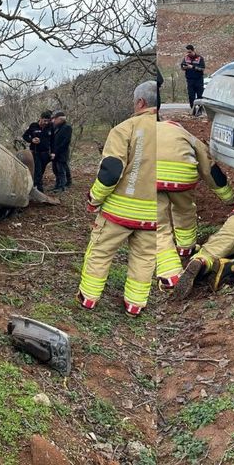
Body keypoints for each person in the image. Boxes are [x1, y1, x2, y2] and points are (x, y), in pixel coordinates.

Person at [77, 81, 157, 317]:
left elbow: (111, 171)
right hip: (154, 216)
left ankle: (88, 299)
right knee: (144, 259)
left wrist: (94, 198)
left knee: (100, 253)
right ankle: (135, 305)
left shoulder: (125, 129)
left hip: (118, 212)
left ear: (140, 102)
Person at [156, 119, 234, 289]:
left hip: (150, 179)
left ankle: (170, 275)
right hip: (182, 178)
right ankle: (186, 249)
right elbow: (210, 171)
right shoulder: (186, 135)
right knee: (184, 210)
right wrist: (231, 200)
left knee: (158, 226)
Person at [22, 111, 53, 192]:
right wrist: (31, 140)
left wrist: (53, 152)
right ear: (40, 118)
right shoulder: (33, 125)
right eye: (44, 120)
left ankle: (36, 184)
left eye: (48, 121)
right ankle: (38, 189)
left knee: (41, 171)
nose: (46, 123)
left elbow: (53, 140)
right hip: (35, 152)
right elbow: (25, 136)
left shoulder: (50, 126)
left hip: (46, 153)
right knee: (37, 171)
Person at [50, 111, 73, 192]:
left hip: (61, 153)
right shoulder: (55, 127)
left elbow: (65, 142)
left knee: (61, 171)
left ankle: (62, 187)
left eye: (58, 119)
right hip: (54, 153)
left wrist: (56, 152)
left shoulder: (67, 127)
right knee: (55, 170)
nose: (55, 121)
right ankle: (57, 185)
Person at [180, 44, 205, 113]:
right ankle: (193, 109)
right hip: (190, 80)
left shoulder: (200, 58)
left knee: (200, 95)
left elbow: (202, 68)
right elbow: (182, 67)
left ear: (193, 51)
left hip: (198, 80)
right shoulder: (186, 58)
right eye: (187, 52)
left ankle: (200, 110)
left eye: (190, 52)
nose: (188, 54)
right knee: (191, 96)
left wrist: (193, 67)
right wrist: (185, 67)